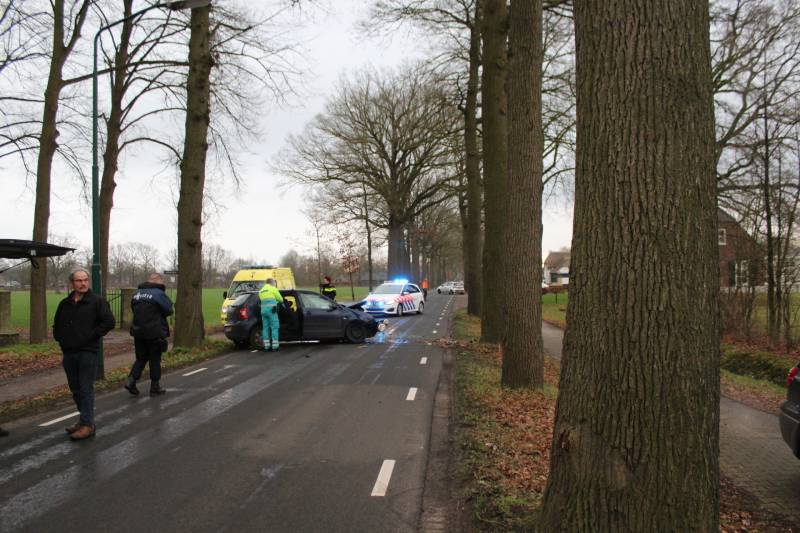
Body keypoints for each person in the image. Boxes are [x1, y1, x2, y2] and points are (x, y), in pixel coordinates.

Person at [53, 268, 115, 441]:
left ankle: (88, 425)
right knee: (75, 389)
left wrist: (92, 336)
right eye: (79, 280)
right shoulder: (65, 303)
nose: (83, 283)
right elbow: (57, 324)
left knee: (85, 387)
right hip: (69, 352)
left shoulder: (97, 302)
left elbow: (109, 322)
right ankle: (84, 420)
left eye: (85, 280)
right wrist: (60, 338)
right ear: (72, 283)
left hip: (87, 352)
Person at [125, 273, 173, 397]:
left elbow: (133, 309)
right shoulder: (158, 294)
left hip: (138, 332)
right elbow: (169, 310)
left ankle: (131, 381)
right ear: (158, 282)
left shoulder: (137, 294)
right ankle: (155, 388)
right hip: (154, 333)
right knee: (155, 360)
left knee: (141, 358)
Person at [258, 278, 284, 352]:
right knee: (274, 327)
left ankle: (266, 346)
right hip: (271, 311)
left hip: (263, 312)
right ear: (271, 283)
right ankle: (275, 347)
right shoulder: (273, 289)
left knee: (265, 328)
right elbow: (281, 299)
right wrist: (275, 300)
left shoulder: (261, 291)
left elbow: (262, 301)